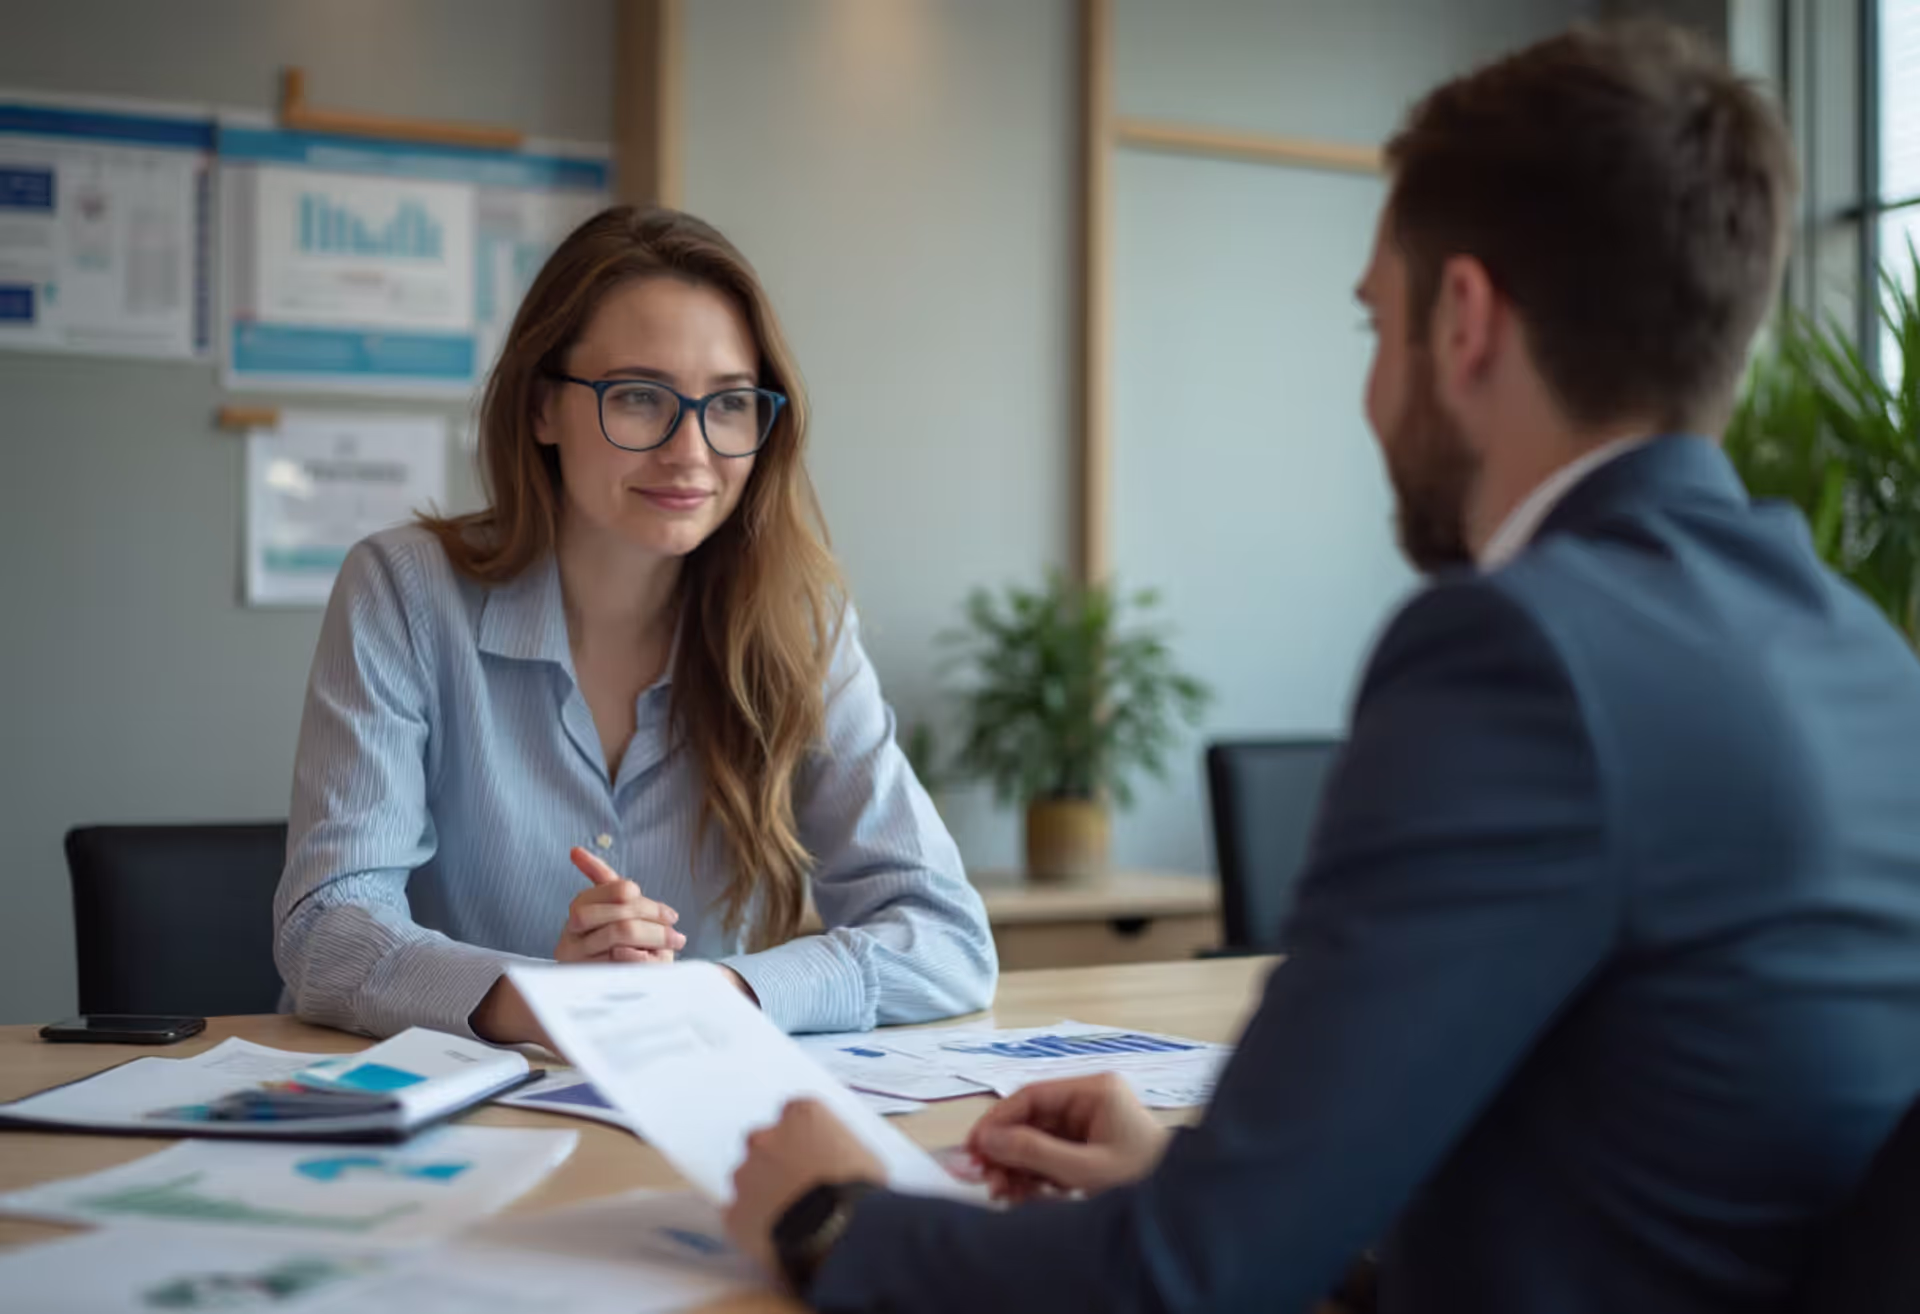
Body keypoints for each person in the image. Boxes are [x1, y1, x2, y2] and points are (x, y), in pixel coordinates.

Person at [722, 22, 1920, 1314]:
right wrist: (1206, 1180)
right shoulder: (1860, 654)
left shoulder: (1518, 657)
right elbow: (1639, 1196)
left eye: (1375, 322)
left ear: (1464, 321)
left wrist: (838, 1216)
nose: (1370, 388)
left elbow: (1188, 1282)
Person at [273, 207, 996, 1045]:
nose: (691, 450)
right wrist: (553, 1004)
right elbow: (327, 931)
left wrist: (715, 992)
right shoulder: (404, 591)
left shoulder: (798, 623)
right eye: (641, 398)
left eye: (729, 403)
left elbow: (946, 939)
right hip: (450, 1103)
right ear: (542, 407)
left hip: (694, 1094)